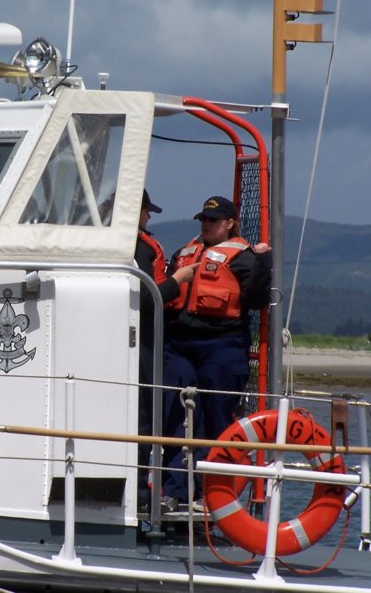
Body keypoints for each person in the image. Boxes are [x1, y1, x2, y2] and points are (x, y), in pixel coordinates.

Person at [159, 195, 272, 510]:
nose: (207, 225)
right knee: (175, 416)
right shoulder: (184, 254)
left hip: (222, 346)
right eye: (203, 220)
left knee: (216, 418)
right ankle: (175, 490)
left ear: (230, 223)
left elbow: (254, 299)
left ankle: (214, 493)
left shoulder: (245, 258)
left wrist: (263, 263)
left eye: (213, 220)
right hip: (179, 345)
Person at [134, 189, 194, 508]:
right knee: (144, 415)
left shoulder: (142, 244)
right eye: (146, 211)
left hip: (154, 337)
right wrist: (180, 279)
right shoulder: (138, 249)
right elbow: (145, 298)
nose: (149, 217)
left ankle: (146, 491)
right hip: (142, 338)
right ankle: (142, 496)